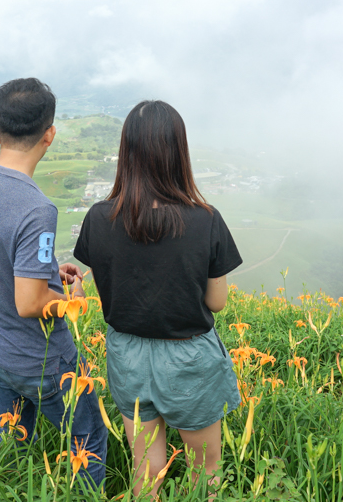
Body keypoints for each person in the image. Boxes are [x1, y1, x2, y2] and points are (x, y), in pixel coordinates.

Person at [74, 100, 242, 498]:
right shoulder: (205, 218)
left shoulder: (99, 217)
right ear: (177, 152)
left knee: (145, 467)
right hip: (187, 357)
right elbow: (216, 302)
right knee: (206, 468)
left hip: (126, 354)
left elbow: (103, 282)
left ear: (126, 152)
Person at [0, 78, 107, 488]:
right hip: (40, 361)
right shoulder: (37, 209)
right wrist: (70, 297)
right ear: (50, 135)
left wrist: (46, 272)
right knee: (87, 438)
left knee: (15, 446)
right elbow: (29, 303)